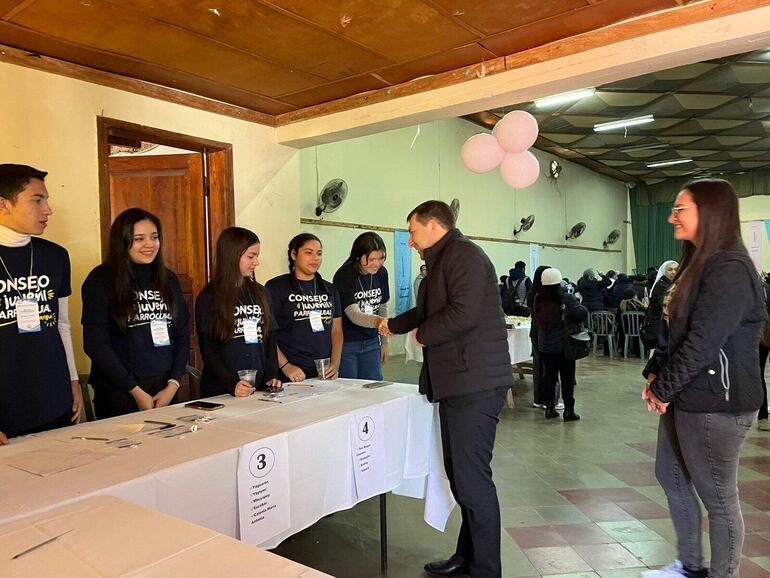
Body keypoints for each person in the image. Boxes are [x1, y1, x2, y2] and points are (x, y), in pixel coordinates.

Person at [642, 179, 767, 578]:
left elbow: (703, 342)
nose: (671, 217)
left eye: (681, 209)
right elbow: (674, 330)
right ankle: (690, 566)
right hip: (687, 394)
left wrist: (662, 388)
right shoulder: (699, 262)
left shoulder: (730, 267)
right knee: (671, 475)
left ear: (710, 213)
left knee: (718, 496)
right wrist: (655, 372)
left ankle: (722, 573)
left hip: (719, 401)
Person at [379, 200, 511, 578]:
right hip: (459, 380)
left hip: (475, 382)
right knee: (460, 476)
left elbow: (462, 313)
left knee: (473, 481)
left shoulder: (463, 255)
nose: (410, 241)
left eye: (413, 232)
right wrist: (394, 325)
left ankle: (487, 570)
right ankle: (467, 558)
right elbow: (427, 310)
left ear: (434, 226)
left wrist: (422, 335)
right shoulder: (444, 259)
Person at [0, 164, 82, 444]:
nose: (48, 210)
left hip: (54, 395)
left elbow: (62, 324)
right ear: (3, 204)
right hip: (7, 405)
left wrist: (73, 380)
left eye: (46, 200)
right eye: (37, 200)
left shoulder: (55, 256)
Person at [82, 208, 190, 418]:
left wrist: (174, 383)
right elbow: (95, 344)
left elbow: (182, 333)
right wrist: (135, 391)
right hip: (120, 391)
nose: (149, 244)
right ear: (122, 242)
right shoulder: (101, 279)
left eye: (154, 237)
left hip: (164, 388)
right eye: (139, 239)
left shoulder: (168, 279)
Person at [195, 227, 280, 397]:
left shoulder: (261, 293)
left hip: (258, 387)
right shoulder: (209, 296)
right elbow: (208, 349)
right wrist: (231, 384)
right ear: (232, 255)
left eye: (257, 256)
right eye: (251, 256)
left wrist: (272, 375)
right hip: (222, 390)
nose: (256, 262)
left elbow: (269, 340)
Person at [266, 233, 343, 382]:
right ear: (294, 254)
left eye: (319, 253)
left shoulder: (330, 289)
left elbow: (337, 330)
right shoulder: (276, 287)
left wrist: (335, 363)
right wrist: (286, 366)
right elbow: (267, 334)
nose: (315, 258)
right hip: (290, 373)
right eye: (308, 253)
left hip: (323, 371)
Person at [333, 232, 390, 380]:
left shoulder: (381, 273)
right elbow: (354, 314)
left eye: (381, 258)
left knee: (374, 386)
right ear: (358, 256)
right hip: (348, 344)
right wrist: (378, 322)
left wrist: (384, 342)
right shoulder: (344, 275)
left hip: (372, 341)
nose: (376, 264)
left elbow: (382, 305)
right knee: (350, 389)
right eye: (371, 259)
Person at [534, 268, 588, 420]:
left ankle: (549, 408)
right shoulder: (566, 298)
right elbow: (582, 313)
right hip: (564, 345)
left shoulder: (538, 298)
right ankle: (569, 410)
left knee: (549, 377)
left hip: (545, 344)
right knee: (567, 378)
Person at [641, 260, 678, 350]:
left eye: (676, 269)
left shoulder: (673, 284)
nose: (673, 272)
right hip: (660, 328)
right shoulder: (662, 286)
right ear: (664, 272)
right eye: (670, 270)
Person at [527, 265, 550, 409]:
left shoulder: (532, 293)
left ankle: (538, 399)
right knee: (549, 367)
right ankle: (549, 400)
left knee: (538, 367)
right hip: (546, 334)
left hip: (535, 332)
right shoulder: (546, 295)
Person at [758, 273, 770, 431]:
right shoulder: (763, 289)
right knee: (758, 374)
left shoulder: (762, 288)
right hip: (762, 336)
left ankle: (763, 417)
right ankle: (762, 416)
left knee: (759, 373)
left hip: (760, 336)